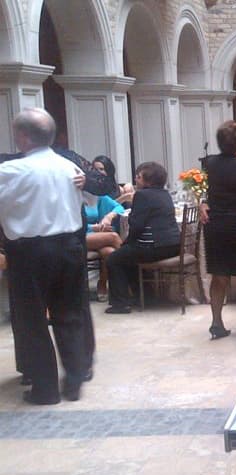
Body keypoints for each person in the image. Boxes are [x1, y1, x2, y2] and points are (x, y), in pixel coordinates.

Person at [0, 108, 89, 404]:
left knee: (31, 320)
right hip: (69, 247)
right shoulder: (70, 168)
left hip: (30, 252)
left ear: (23, 137)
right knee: (70, 313)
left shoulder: (11, 171)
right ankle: (75, 379)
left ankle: (46, 389)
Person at [201, 120, 236, 340]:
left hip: (215, 225)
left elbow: (205, 192)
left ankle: (216, 323)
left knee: (219, 276)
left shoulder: (210, 164)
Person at [104, 162, 180, 315]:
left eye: (138, 177)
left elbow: (136, 225)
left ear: (148, 181)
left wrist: (127, 242)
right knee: (128, 255)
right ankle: (145, 296)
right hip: (173, 246)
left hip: (154, 246)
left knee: (113, 259)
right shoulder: (165, 194)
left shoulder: (142, 195)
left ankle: (120, 303)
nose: (135, 180)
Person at [83, 191, 124, 301]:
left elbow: (119, 208)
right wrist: (93, 228)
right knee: (113, 237)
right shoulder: (73, 196)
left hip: (98, 236)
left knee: (109, 252)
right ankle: (130, 279)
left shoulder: (98, 195)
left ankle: (102, 283)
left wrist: (109, 216)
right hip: (80, 235)